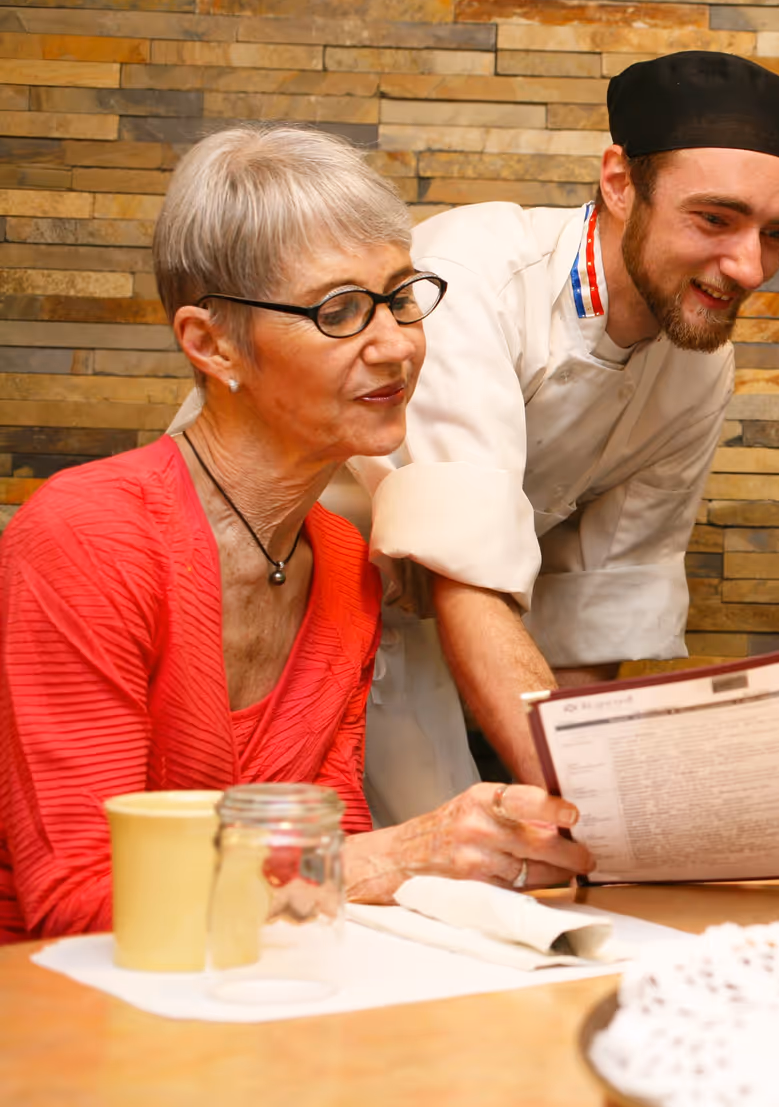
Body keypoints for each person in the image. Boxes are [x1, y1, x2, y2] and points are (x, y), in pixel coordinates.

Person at [0, 125, 593, 942]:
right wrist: (398, 856)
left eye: (400, 297)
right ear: (210, 345)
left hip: (239, 1000)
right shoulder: (87, 537)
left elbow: (324, 862)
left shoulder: (345, 561)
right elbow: (78, 902)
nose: (396, 346)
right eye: (339, 311)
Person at [339, 51, 779, 823]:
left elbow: (600, 602)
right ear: (620, 181)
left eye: (776, 233)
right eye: (716, 219)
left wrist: (595, 803)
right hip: (298, 606)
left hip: (454, 624)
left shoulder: (699, 364)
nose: (751, 267)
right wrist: (594, 809)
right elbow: (465, 569)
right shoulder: (471, 277)